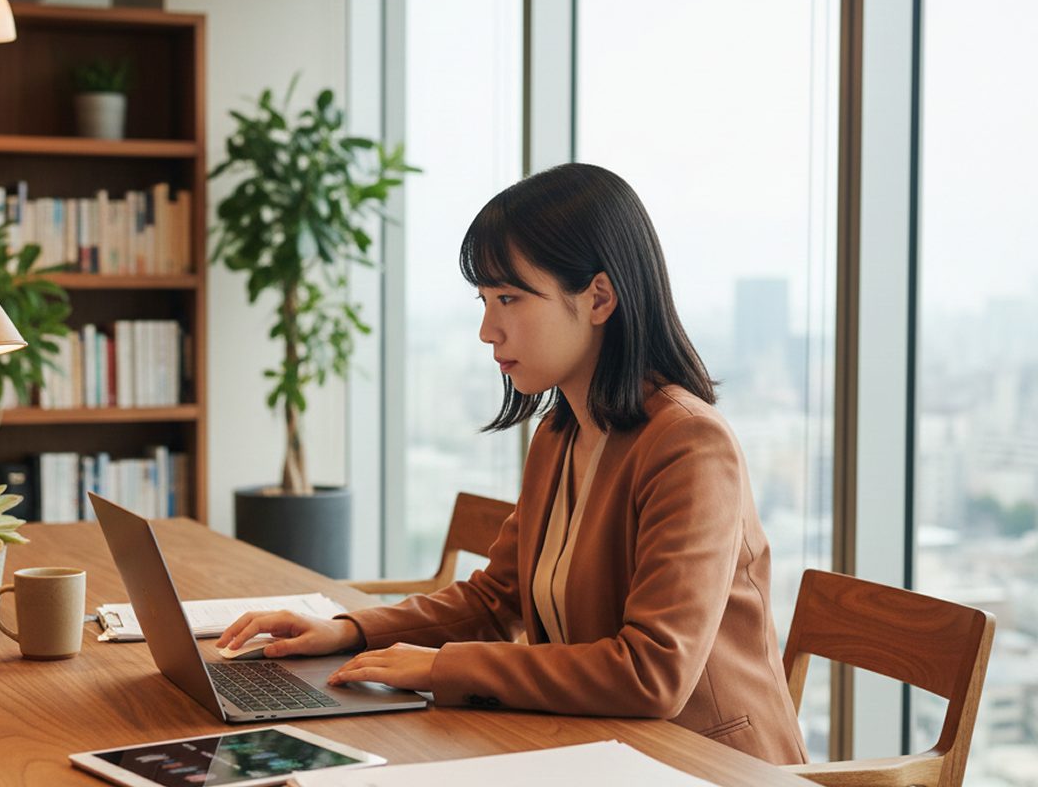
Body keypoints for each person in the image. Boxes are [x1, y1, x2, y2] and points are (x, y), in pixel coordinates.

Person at [217, 163, 807, 765]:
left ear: (599, 297)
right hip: (604, 751)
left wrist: (444, 667)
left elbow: (653, 672)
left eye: (509, 298)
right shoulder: (559, 432)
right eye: (483, 299)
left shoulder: (688, 445)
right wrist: (349, 631)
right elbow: (497, 600)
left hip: (710, 765)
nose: (486, 329)